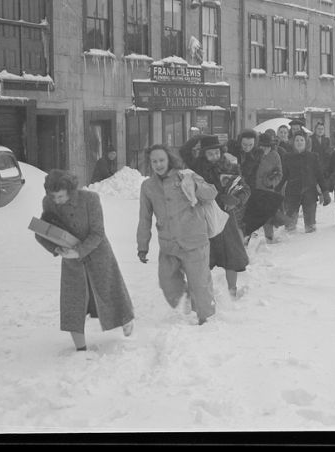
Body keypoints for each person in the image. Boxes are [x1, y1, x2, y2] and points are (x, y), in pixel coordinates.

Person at [36, 169, 134, 351]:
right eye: (53, 196)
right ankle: (80, 348)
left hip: (98, 253)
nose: (56, 201)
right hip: (70, 259)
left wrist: (79, 251)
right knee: (73, 300)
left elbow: (98, 233)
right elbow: (46, 230)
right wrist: (56, 249)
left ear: (71, 190)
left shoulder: (90, 200)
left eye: (60, 196)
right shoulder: (48, 202)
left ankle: (126, 319)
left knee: (110, 290)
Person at [137, 144, 218, 325]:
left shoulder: (186, 175)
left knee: (200, 284)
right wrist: (142, 246)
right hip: (169, 244)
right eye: (154, 161)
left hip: (194, 239)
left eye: (161, 160)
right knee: (168, 284)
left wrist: (195, 185)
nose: (158, 164)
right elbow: (144, 218)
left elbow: (212, 193)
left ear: (169, 160)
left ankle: (205, 320)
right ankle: (190, 292)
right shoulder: (148, 186)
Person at [195, 136, 251, 298]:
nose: (214, 156)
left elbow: (245, 189)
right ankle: (204, 293)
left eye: (216, 153)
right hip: (204, 219)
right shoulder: (196, 172)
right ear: (203, 155)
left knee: (231, 256)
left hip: (227, 219)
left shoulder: (231, 168)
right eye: (210, 154)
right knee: (203, 258)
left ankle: (232, 291)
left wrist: (236, 200)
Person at [280, 132, 331, 233]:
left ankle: (309, 246)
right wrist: (276, 191)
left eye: (301, 140)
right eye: (297, 140)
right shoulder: (287, 157)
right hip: (292, 194)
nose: (299, 142)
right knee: (289, 227)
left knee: (310, 227)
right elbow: (284, 176)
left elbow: (319, 176)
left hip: (310, 194)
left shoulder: (312, 157)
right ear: (293, 142)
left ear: (306, 142)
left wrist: (325, 192)